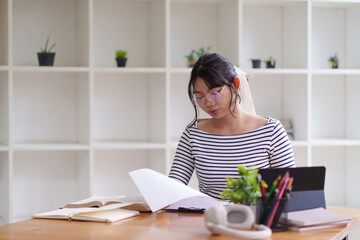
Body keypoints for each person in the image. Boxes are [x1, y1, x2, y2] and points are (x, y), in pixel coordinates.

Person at [169, 53, 296, 200]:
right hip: (210, 220)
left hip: (258, 220)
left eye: (215, 93)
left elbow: (291, 191)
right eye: (200, 97)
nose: (208, 102)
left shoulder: (271, 131)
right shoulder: (193, 134)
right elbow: (173, 187)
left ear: (235, 85)